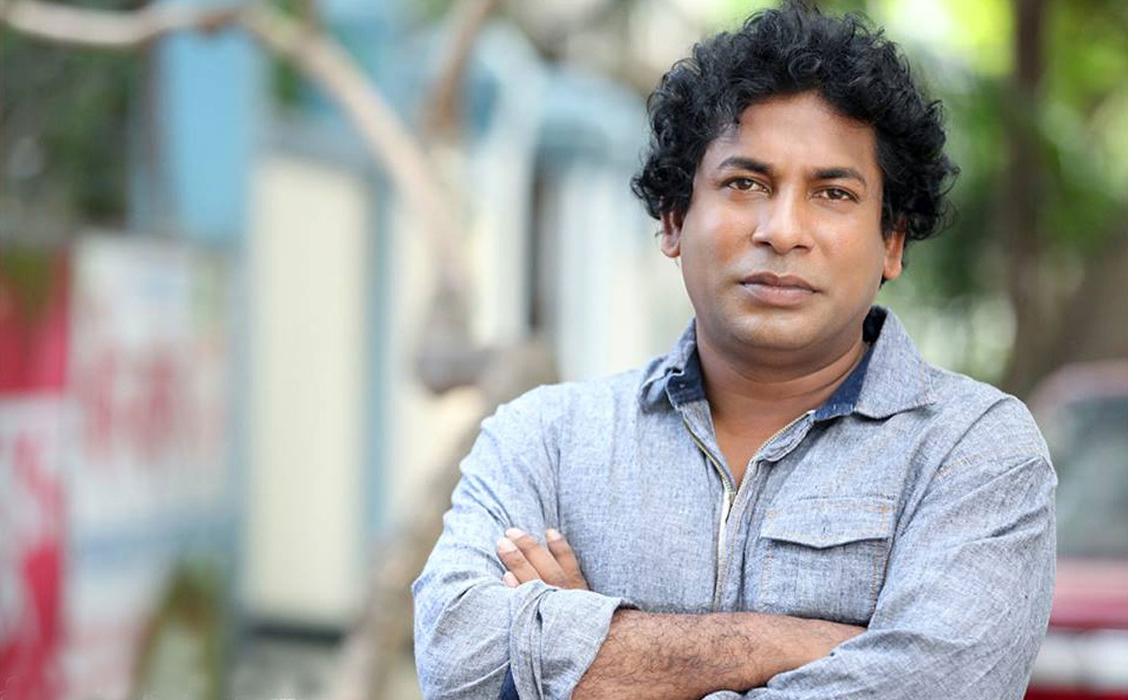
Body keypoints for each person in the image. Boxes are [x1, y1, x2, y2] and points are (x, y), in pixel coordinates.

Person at [412, 3, 1056, 699]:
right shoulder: (546, 440)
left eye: (833, 192)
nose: (783, 230)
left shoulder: (971, 451)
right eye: (745, 184)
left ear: (892, 241)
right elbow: (458, 661)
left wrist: (575, 654)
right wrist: (789, 643)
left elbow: (934, 686)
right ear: (674, 218)